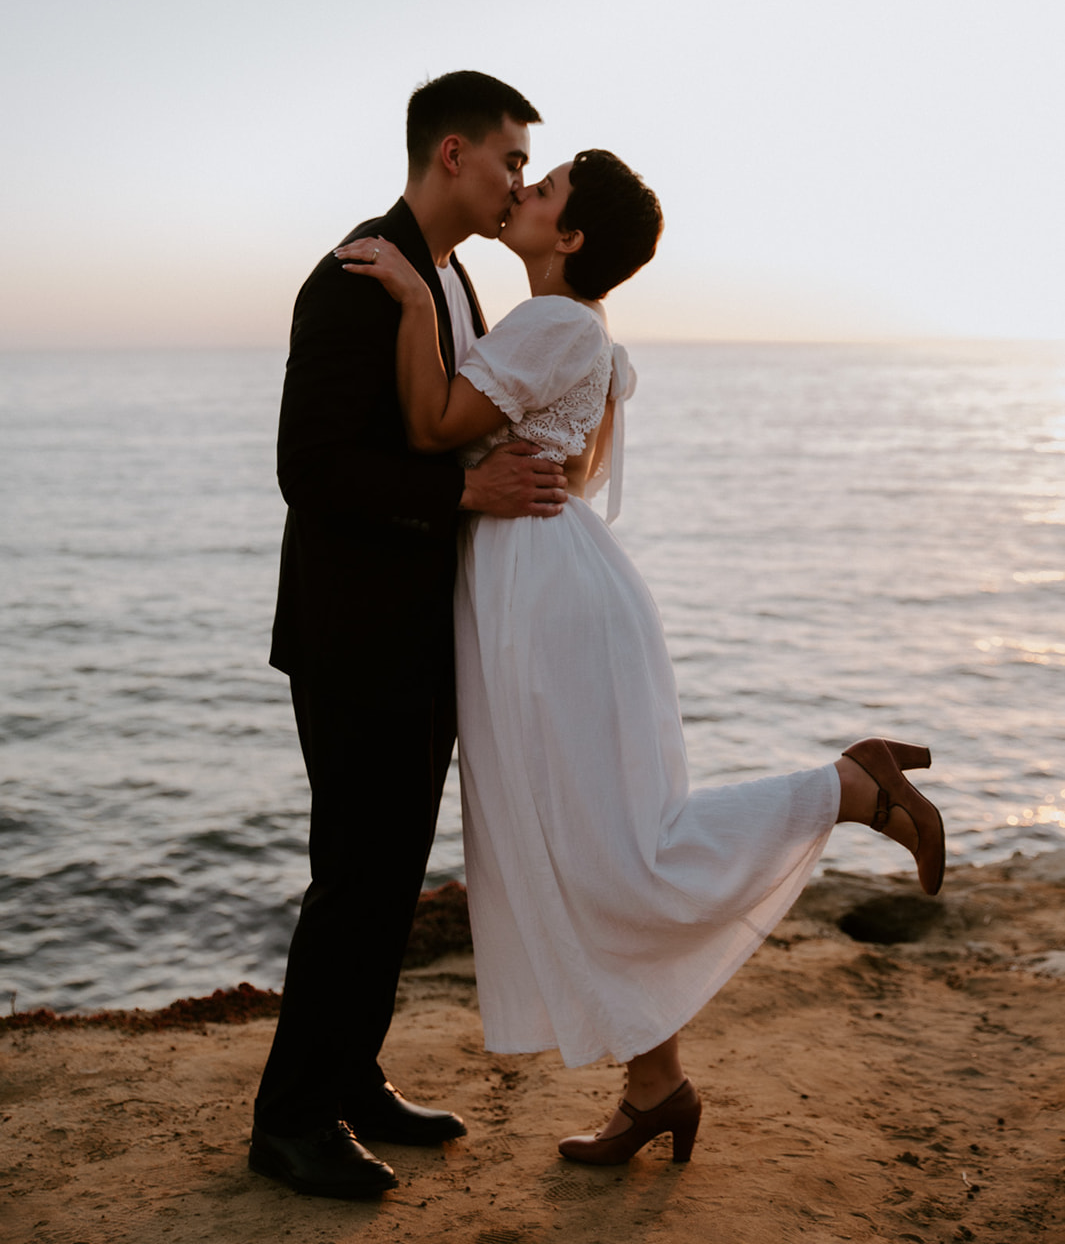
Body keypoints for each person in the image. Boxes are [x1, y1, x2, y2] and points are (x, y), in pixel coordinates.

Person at [336, 146, 946, 1168]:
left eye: (548, 187)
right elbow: (575, 464)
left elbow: (436, 422)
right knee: (596, 843)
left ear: (569, 238)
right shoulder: (581, 330)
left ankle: (845, 786)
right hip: (561, 581)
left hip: (544, 599)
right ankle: (656, 1085)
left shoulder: (552, 321)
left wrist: (409, 301)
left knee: (616, 850)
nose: (526, 190)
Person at [250, 71, 570, 1201]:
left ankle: (350, 1074)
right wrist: (464, 498)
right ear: (451, 153)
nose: (518, 181)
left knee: (390, 880)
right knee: (355, 877)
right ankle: (289, 1121)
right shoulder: (352, 275)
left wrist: (485, 471)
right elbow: (312, 468)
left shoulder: (456, 278)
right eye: (511, 161)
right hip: (352, 636)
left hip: (424, 631)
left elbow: (444, 430)